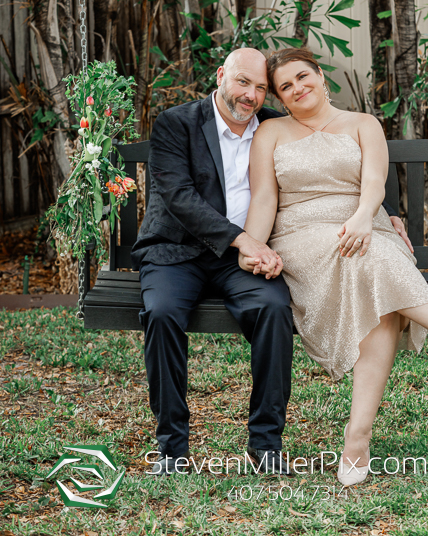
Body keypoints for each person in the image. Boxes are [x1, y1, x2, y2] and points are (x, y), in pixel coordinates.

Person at [131, 47, 410, 477]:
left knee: (275, 308)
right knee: (162, 313)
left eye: (261, 88)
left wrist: (386, 213)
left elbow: (333, 170)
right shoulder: (176, 123)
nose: (251, 95)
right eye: (243, 82)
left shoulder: (272, 126)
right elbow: (178, 197)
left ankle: (265, 444)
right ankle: (172, 447)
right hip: (177, 253)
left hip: (245, 257)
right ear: (221, 75)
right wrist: (244, 240)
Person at [244, 47, 428, 487]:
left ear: (320, 76)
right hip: (302, 234)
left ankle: (358, 436)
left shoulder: (363, 123)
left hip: (364, 223)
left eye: (303, 76)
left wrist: (365, 217)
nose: (297, 88)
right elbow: (265, 197)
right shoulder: (270, 132)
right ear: (280, 98)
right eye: (285, 86)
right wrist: (250, 245)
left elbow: (373, 184)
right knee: (372, 265)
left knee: (378, 283)